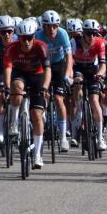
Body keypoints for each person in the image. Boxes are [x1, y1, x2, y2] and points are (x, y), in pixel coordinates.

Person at [3, 19, 51, 169]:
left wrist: (45, 87)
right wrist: (7, 87)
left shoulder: (41, 46)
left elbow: (48, 69)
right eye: (23, 38)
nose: (27, 42)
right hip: (20, 74)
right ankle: (14, 122)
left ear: (34, 36)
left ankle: (37, 155)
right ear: (19, 38)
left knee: (36, 116)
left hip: (37, 76)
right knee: (16, 87)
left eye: (30, 38)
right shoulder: (11, 48)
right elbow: (8, 69)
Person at [35, 10, 73, 152]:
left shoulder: (63, 34)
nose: (52, 29)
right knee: (42, 94)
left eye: (55, 26)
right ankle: (43, 116)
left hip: (58, 65)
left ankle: (63, 138)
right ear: (43, 26)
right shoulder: (38, 36)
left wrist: (68, 74)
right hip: (42, 65)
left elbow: (69, 56)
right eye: (49, 26)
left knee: (58, 98)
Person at [71, 19, 107, 151]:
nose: (92, 36)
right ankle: (79, 109)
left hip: (92, 70)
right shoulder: (75, 42)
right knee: (77, 82)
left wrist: (100, 74)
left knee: (94, 100)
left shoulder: (99, 43)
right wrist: (69, 76)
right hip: (78, 68)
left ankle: (100, 136)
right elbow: (69, 61)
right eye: (88, 33)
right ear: (83, 33)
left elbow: (103, 64)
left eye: (94, 33)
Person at [0, 15, 17, 144]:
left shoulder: (19, 40)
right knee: (1, 94)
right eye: (3, 32)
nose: (6, 35)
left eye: (9, 31)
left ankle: (19, 121)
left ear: (13, 31)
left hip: (16, 68)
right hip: (0, 69)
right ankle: (0, 131)